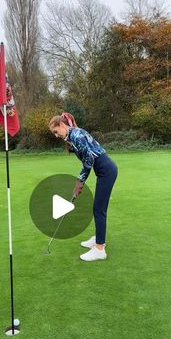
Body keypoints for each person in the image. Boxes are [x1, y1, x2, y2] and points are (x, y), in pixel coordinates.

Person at [49, 112, 118, 262]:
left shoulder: (77, 135)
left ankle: (100, 248)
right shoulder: (72, 136)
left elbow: (89, 160)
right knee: (98, 208)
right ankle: (98, 238)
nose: (56, 135)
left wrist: (80, 182)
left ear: (61, 124)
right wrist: (79, 183)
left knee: (99, 209)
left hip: (107, 171)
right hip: (103, 172)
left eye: (55, 131)